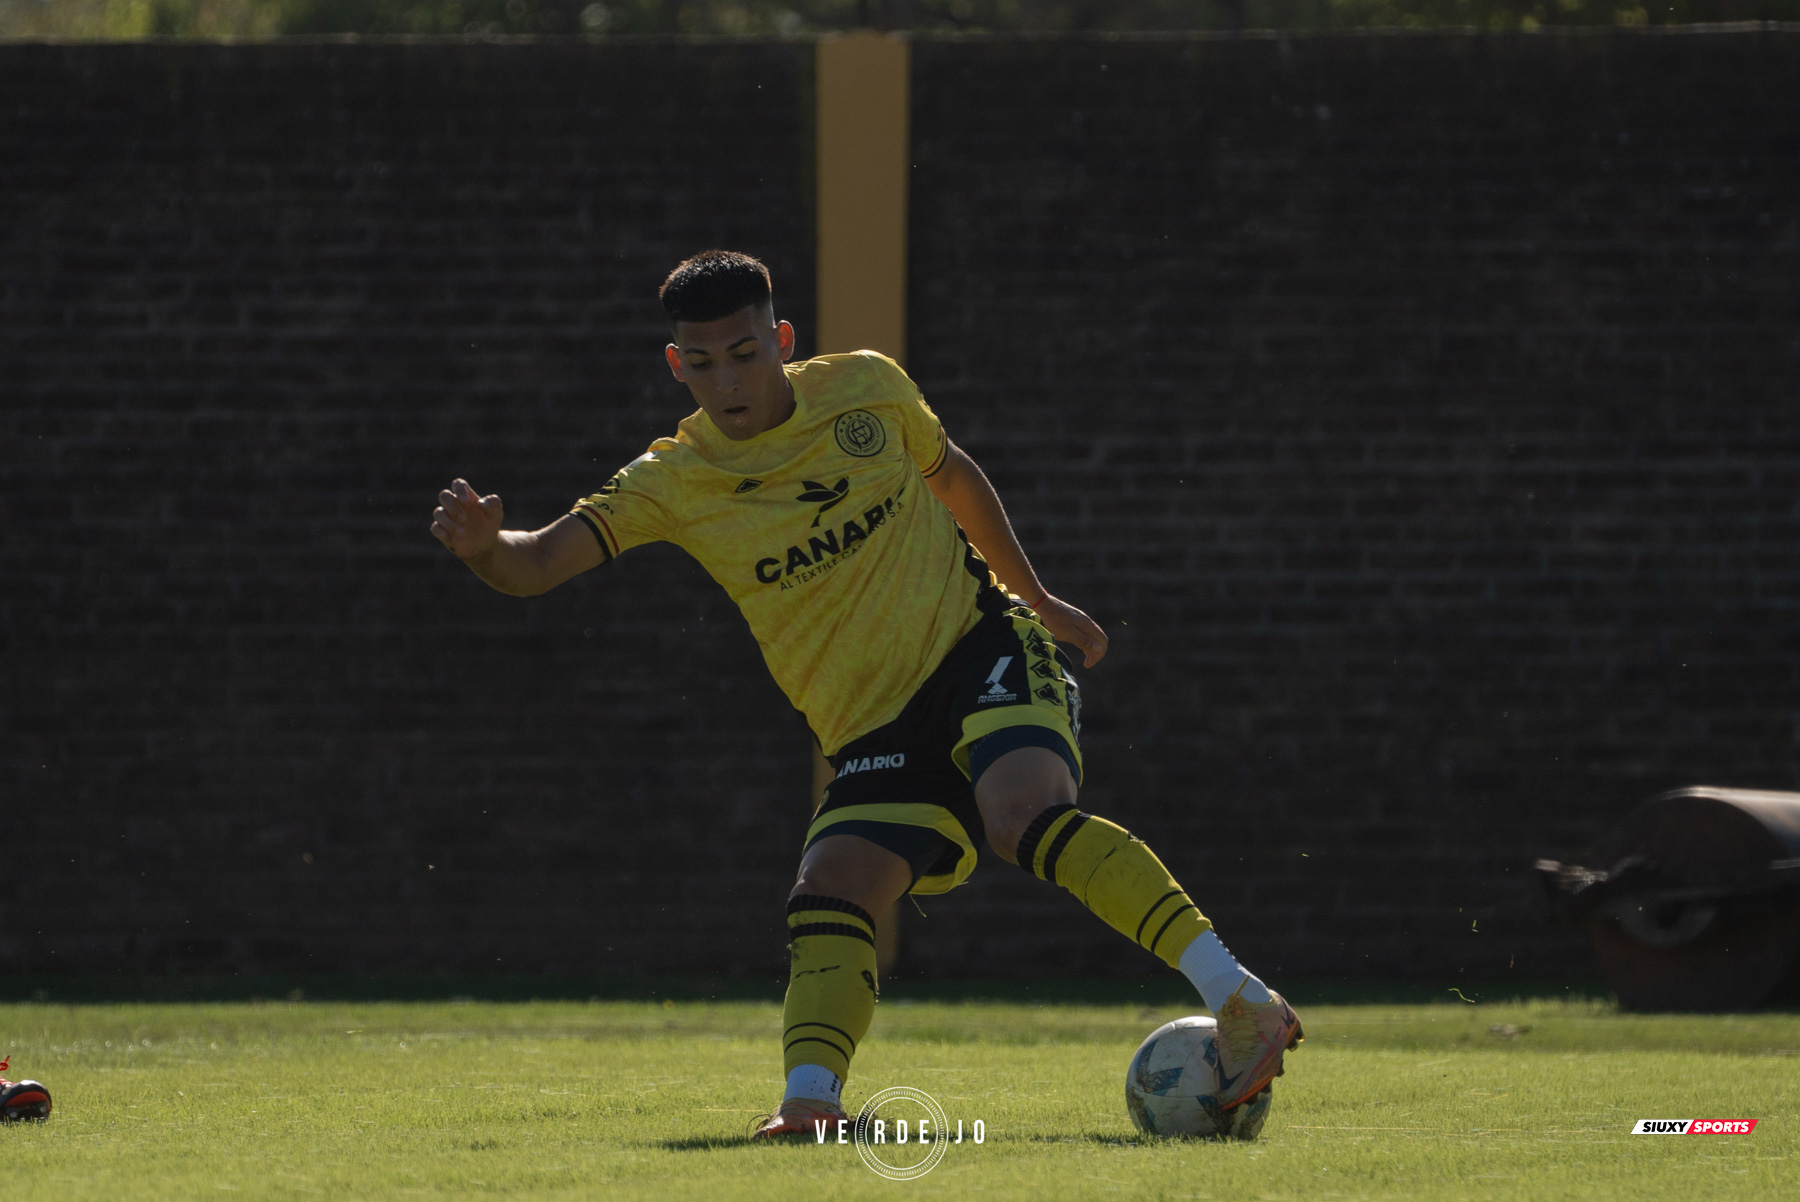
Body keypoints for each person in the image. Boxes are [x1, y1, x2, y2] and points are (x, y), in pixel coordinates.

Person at [429, 250, 1302, 1138]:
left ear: (781, 340)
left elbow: (952, 474)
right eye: (702, 363)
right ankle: (810, 1106)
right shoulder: (672, 479)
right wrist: (485, 550)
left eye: (743, 354)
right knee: (830, 891)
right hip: (874, 725)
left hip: (981, 645)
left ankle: (1243, 1000)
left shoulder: (866, 390)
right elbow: (537, 562)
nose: (726, 381)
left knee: (1022, 817)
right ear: (674, 364)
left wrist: (1035, 599)